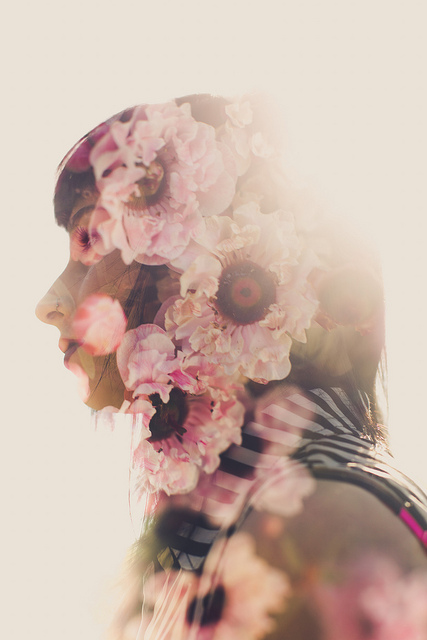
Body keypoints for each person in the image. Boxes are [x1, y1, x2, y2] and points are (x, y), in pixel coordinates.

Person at [36, 94, 427, 639]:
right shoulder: (243, 517)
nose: (47, 304)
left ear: (203, 262)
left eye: (89, 236)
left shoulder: (316, 525)